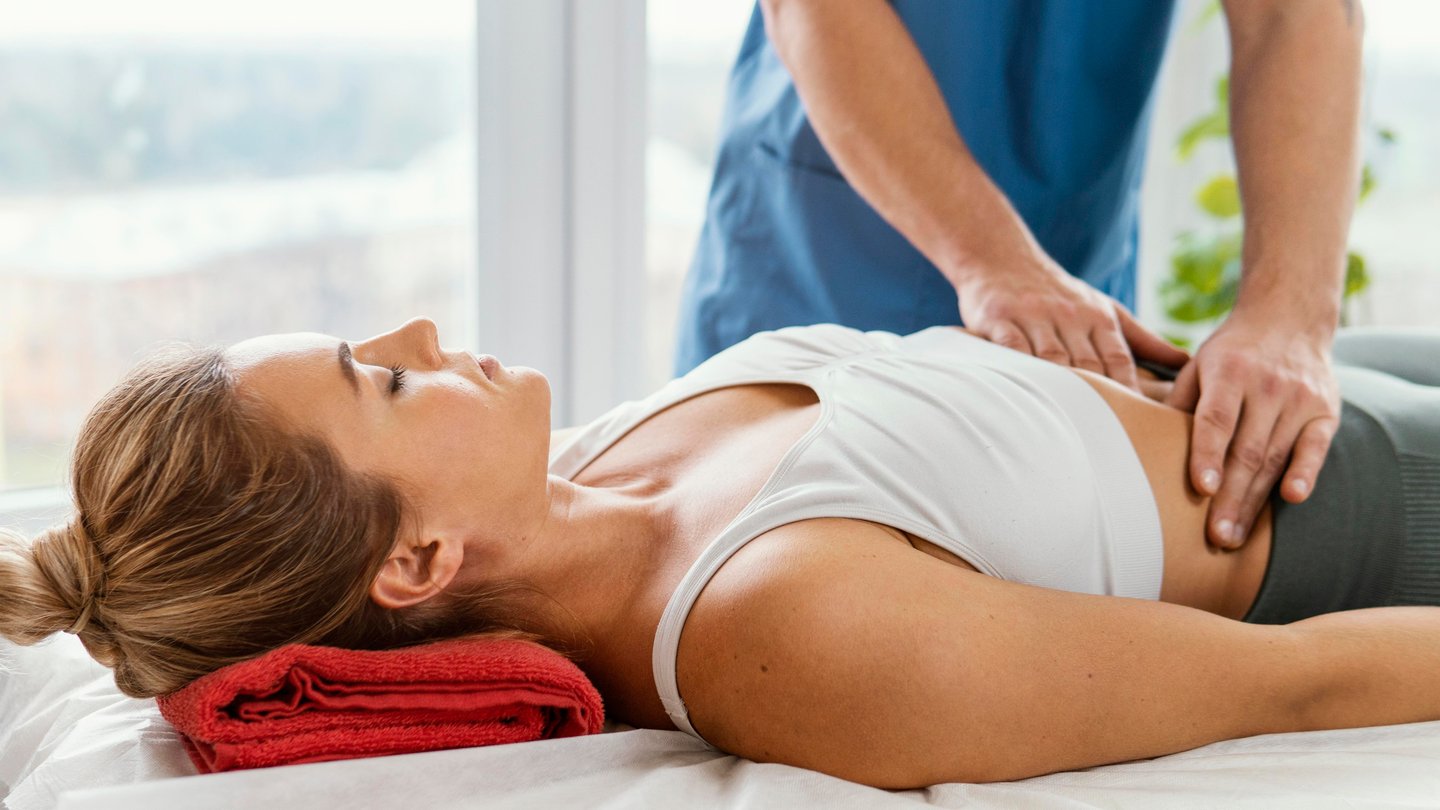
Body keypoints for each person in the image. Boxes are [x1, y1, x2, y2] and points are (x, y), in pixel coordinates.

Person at [2, 316, 1437, 789]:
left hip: (1296, 382)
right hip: (1356, 503)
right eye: (379, 380)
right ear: (417, 562)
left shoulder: (607, 458)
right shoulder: (778, 624)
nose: (422, 335)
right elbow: (1294, 683)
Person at [675, 0, 1366, 554]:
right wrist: (993, 261)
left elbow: (1293, 14)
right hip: (823, 247)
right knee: (755, 543)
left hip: (1069, 262)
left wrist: (1290, 319)